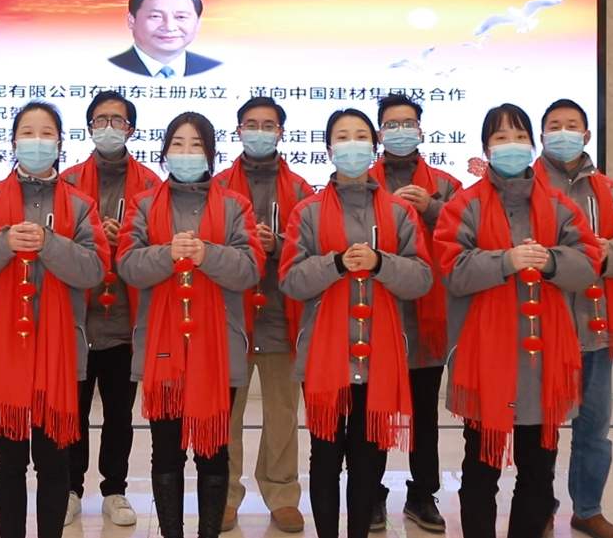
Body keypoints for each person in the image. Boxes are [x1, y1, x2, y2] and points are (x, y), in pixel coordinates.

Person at [434, 103, 599, 538]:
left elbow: (589, 264)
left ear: (533, 144)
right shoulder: (463, 204)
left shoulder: (561, 204)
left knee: (539, 470)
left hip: (545, 361)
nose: (512, 145)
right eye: (501, 137)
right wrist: (505, 261)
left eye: (520, 136)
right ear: (486, 148)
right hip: (485, 359)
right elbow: (452, 270)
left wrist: (551, 261)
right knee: (481, 469)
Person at [0, 100, 108, 538]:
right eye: (28, 133)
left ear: (60, 143)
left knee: (54, 461)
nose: (37, 142)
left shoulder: (80, 204)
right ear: (14, 141)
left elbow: (94, 270)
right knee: (9, 461)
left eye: (46, 134)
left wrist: (49, 243)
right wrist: (3, 243)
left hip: (60, 352)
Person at [278, 107, 432, 538]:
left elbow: (422, 278)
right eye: (342, 137)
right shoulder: (307, 212)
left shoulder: (399, 212)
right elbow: (291, 280)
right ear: (329, 150)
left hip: (380, 355)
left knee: (369, 457)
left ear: (374, 146)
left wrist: (382, 263)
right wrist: (336, 264)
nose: (352, 145)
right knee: (325, 455)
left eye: (360, 136)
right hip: (324, 356)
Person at [117, 111, 264, 538]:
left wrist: (206, 254)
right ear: (165, 153)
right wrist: (167, 254)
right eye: (177, 144)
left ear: (211, 154)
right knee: (166, 449)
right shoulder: (144, 204)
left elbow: (250, 268)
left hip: (218, 350)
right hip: (162, 347)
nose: (186, 152)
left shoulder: (235, 205)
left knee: (213, 450)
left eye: (196, 145)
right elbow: (128, 265)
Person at [534, 99, 613, 538]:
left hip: (596, 327)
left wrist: (603, 252)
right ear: (542, 136)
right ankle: (539, 508)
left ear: (586, 135)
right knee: (540, 428)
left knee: (594, 429)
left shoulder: (608, 189)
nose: (563, 133)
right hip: (543, 328)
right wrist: (566, 257)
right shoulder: (527, 185)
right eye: (554, 126)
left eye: (572, 125)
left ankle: (588, 509)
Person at [214, 96, 314, 534]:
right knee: (226, 413)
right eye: (250, 125)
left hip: (280, 317)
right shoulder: (217, 186)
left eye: (268, 125)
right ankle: (225, 494)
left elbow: (314, 248)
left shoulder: (303, 191)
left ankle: (282, 493)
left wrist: (279, 246)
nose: (259, 132)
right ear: (238, 131)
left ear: (281, 132)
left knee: (282, 413)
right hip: (230, 318)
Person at [62, 91, 160, 527]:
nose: (108, 128)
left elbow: (160, 243)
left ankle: (115, 490)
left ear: (131, 129)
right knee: (73, 411)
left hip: (126, 319)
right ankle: (70, 488)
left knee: (119, 415)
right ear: (89, 128)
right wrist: (92, 239)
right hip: (77, 320)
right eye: (100, 120)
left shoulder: (152, 185)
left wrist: (128, 240)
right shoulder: (66, 181)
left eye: (117, 120)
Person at [366, 94, 461, 534]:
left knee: (424, 414)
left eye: (408, 123)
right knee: (374, 412)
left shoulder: (446, 184)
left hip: (427, 319)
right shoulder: (361, 182)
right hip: (375, 315)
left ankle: (423, 495)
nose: (400, 131)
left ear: (421, 131)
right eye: (391, 124)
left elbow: (466, 236)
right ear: (379, 133)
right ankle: (371, 494)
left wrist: (433, 209)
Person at [109, 0, 222, 78]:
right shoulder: (108, 68)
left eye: (181, 17)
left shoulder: (217, 71)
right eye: (156, 16)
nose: (169, 27)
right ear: (131, 20)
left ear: (198, 23)